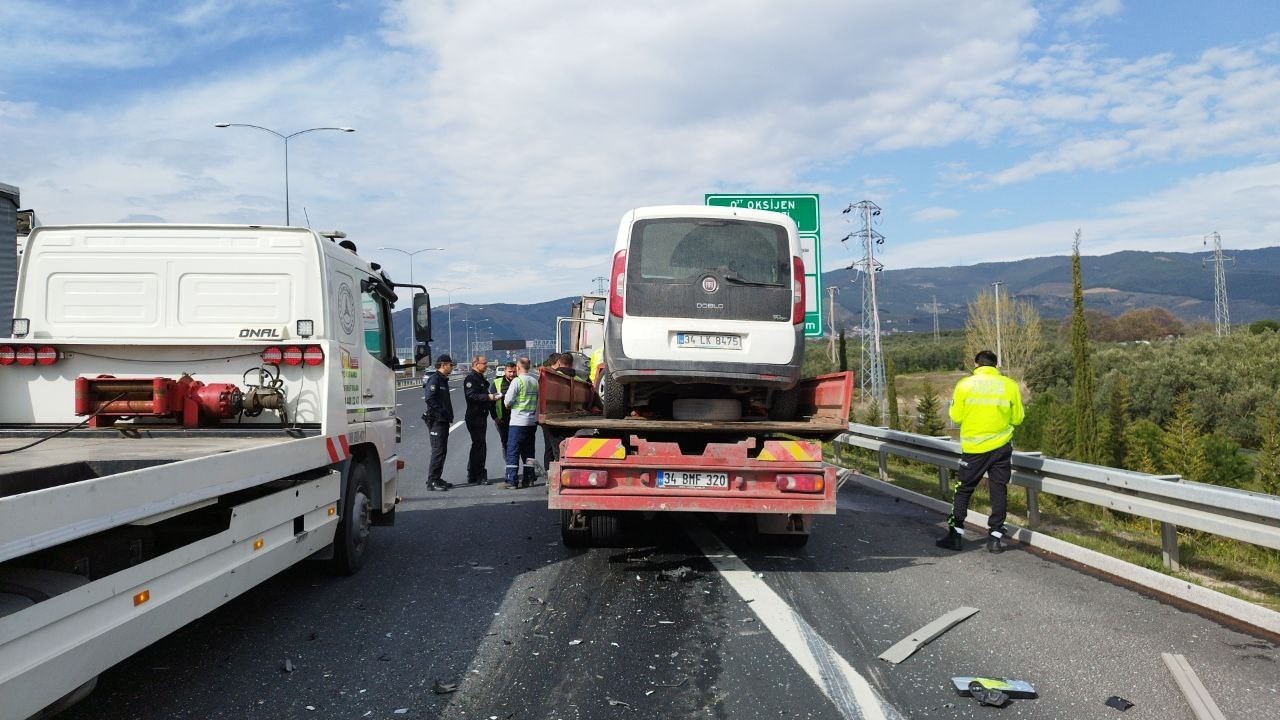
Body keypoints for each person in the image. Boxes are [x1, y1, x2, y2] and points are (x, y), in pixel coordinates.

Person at [937, 350, 1025, 553]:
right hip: (1002, 447)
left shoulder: (965, 385)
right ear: (996, 366)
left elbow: (956, 416)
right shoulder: (1010, 386)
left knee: (964, 489)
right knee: (999, 490)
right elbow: (1018, 418)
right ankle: (995, 538)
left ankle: (956, 536)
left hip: (974, 448)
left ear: (975, 364)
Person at [503, 356, 539, 489]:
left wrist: (509, 405)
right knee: (529, 451)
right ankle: (529, 478)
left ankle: (512, 480)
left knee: (513, 451)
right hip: (531, 422)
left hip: (518, 422)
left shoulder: (517, 381)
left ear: (518, 367)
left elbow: (507, 401)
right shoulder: (535, 382)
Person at [462, 355, 498, 485]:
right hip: (474, 416)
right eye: (484, 363)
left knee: (478, 445)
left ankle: (473, 474)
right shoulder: (471, 378)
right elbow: (471, 395)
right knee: (480, 445)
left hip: (481, 415)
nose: (486, 365)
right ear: (476, 364)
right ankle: (478, 474)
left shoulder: (480, 378)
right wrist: (488, 397)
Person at [423, 354, 456, 491]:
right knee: (438, 451)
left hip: (443, 421)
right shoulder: (435, 379)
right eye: (450, 365)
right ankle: (432, 481)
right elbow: (429, 399)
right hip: (436, 420)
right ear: (443, 365)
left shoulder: (443, 380)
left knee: (442, 451)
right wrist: (441, 412)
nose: (452, 367)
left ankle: (437, 478)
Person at [490, 361, 517, 460]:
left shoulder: (519, 381)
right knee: (505, 442)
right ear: (505, 371)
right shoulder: (497, 383)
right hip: (502, 419)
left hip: (518, 419)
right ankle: (509, 464)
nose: (512, 374)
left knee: (517, 442)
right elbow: (491, 402)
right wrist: (495, 417)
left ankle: (515, 464)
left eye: (514, 372)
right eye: (509, 371)